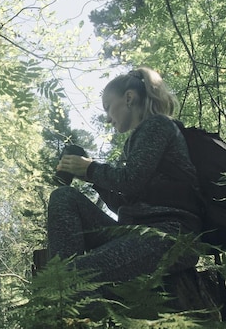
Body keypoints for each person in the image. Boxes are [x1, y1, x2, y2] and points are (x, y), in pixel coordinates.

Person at [48, 67, 202, 286]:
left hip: (169, 236)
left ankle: (65, 294)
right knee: (64, 197)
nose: (108, 119)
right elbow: (124, 202)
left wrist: (90, 169)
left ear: (129, 98)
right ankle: (63, 289)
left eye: (108, 108)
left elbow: (131, 180)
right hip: (135, 232)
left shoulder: (158, 125)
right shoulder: (139, 139)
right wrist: (90, 176)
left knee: (78, 275)